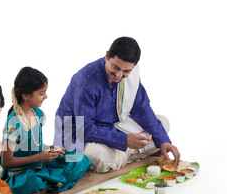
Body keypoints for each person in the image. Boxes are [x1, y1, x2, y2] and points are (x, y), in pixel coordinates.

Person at [54, 36, 180, 173]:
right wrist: (124, 140)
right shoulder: (87, 80)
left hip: (114, 126)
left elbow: (141, 109)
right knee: (98, 156)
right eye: (116, 67)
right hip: (77, 133)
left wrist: (163, 141)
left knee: (163, 123)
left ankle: (124, 154)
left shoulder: (131, 75)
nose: (119, 75)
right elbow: (84, 128)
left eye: (126, 71)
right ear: (107, 56)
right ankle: (129, 153)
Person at [0, 67, 91, 194]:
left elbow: (36, 144)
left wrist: (51, 149)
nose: (45, 97)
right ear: (25, 95)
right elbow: (6, 161)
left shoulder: (38, 114)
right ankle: (49, 185)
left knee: (80, 160)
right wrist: (40, 156)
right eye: (41, 93)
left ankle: (44, 189)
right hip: (20, 173)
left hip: (39, 164)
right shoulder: (13, 123)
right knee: (30, 183)